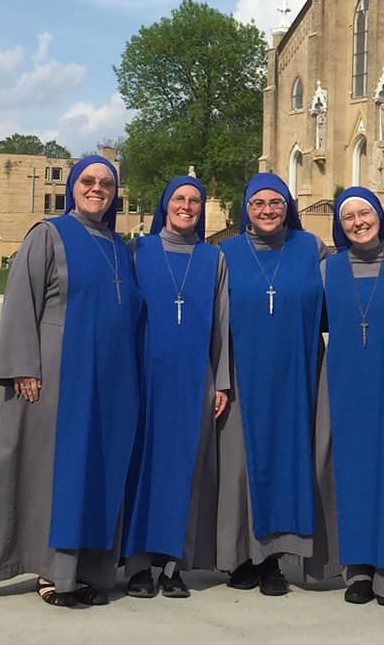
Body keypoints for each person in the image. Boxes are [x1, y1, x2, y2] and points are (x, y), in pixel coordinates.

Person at [0, 155, 141, 607]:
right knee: (55, 471)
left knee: (97, 470)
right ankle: (52, 572)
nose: (97, 189)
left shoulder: (119, 246)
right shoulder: (49, 234)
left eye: (106, 183)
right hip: (59, 372)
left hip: (111, 379)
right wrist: (24, 365)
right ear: (72, 187)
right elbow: (21, 300)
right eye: (88, 181)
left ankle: (89, 569)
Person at [309, 187, 384, 607]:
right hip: (344, 387)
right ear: (339, 226)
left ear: (379, 216)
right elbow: (315, 321)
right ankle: (357, 571)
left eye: (365, 213)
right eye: (349, 217)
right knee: (350, 476)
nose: (358, 222)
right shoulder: (327, 270)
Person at [217, 173, 326, 595]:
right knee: (241, 468)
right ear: (246, 208)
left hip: (296, 374)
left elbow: (333, 305)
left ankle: (274, 560)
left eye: (275, 202)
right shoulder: (226, 253)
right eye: (258, 203)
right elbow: (215, 318)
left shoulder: (310, 248)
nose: (267, 210)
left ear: (288, 207)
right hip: (242, 376)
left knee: (287, 462)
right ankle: (241, 558)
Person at [122, 175, 230, 599]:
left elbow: (222, 324)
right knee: (143, 466)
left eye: (194, 201)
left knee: (185, 469)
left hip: (194, 378)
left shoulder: (214, 258)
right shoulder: (140, 251)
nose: (186, 206)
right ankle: (137, 565)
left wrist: (221, 380)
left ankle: (172, 565)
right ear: (165, 205)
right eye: (179, 199)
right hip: (145, 375)